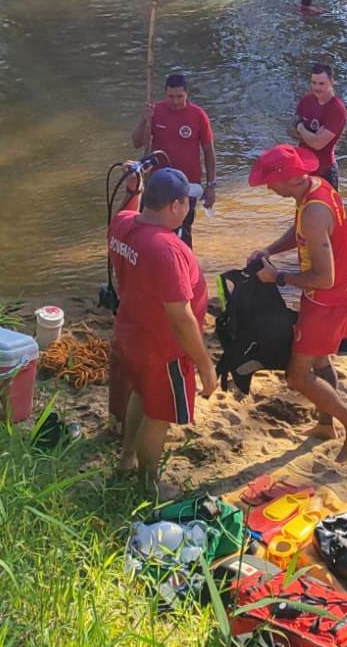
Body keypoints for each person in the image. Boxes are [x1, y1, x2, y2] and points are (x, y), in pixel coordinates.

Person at [107, 166, 217, 491]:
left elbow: (127, 210)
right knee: (159, 416)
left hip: (130, 335)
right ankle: (148, 484)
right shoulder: (167, 250)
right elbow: (180, 316)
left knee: (141, 395)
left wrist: (134, 188)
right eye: (187, 202)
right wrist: (205, 365)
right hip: (162, 349)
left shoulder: (123, 224)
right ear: (174, 206)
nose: (189, 208)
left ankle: (127, 459)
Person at [248, 144, 347, 461]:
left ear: (289, 178)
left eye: (270, 182)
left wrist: (278, 277)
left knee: (297, 375)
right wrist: (270, 250)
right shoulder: (314, 188)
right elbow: (301, 233)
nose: (268, 188)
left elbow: (324, 278)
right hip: (327, 295)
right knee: (320, 361)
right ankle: (325, 425)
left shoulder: (314, 211)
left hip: (327, 299)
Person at [132, 73, 217, 248]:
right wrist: (144, 120)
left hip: (187, 185)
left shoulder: (198, 115)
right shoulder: (155, 111)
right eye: (171, 96)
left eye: (179, 96)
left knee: (182, 234)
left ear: (187, 94)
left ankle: (185, 264)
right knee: (150, 231)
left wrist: (211, 186)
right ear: (165, 94)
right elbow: (137, 143)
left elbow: (209, 151)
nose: (175, 101)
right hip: (158, 183)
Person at [289, 62, 347, 190]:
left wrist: (300, 127)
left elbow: (318, 144)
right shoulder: (306, 100)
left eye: (321, 83)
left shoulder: (337, 110)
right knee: (302, 203)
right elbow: (290, 131)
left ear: (332, 82)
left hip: (325, 171)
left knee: (326, 203)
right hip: (303, 169)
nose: (317, 88)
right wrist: (311, 135)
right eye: (313, 83)